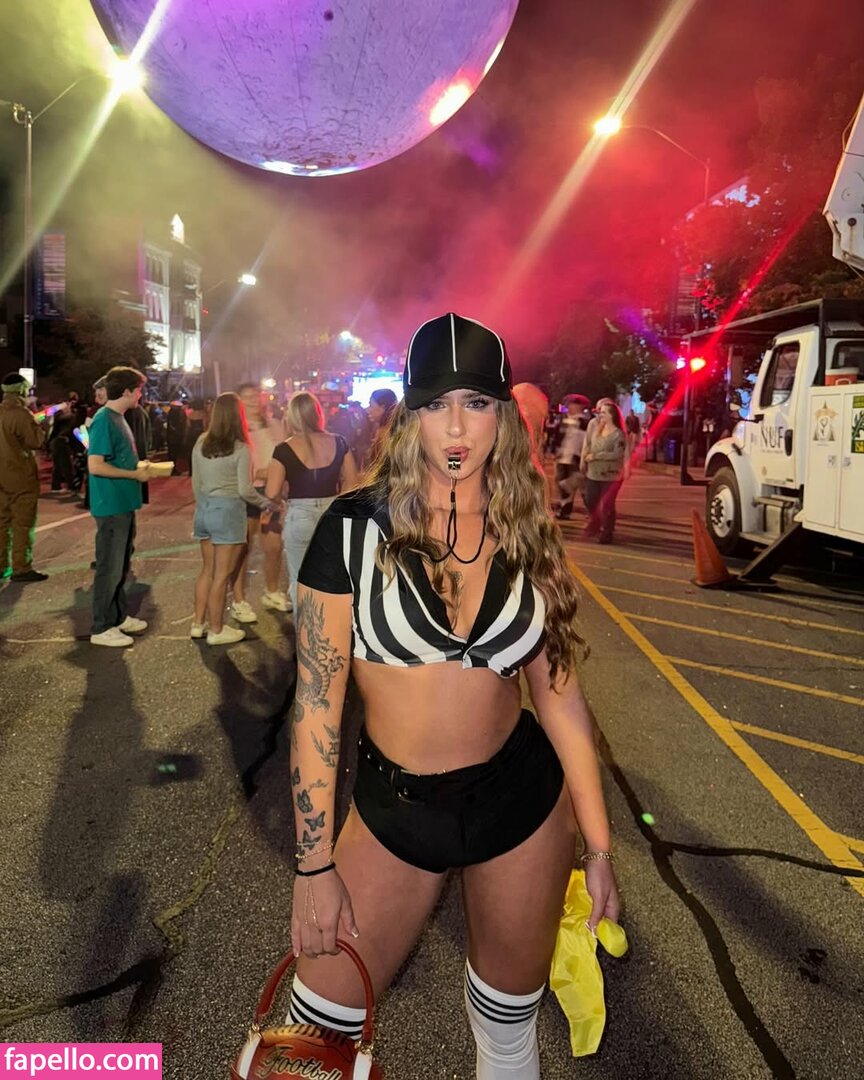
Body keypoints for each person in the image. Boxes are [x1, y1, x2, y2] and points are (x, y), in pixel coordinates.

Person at [286, 313, 618, 1080]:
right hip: (397, 809)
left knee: (508, 1030)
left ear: (504, 414)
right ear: (411, 414)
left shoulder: (528, 529)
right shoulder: (352, 530)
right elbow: (316, 706)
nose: (458, 428)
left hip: (519, 803)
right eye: (436, 404)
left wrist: (599, 849)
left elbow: (560, 699)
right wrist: (312, 865)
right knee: (312, 1044)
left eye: (476, 403)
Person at [191, 392, 275, 645]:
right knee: (221, 575)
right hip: (228, 513)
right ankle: (217, 630)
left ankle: (198, 623)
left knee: (207, 571)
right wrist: (268, 503)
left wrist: (204, 505)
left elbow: (196, 483)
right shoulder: (241, 448)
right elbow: (245, 490)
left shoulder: (201, 441)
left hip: (204, 510)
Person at [264, 391, 357, 612]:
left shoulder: (284, 449)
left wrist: (283, 501)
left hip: (300, 515)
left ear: (292, 416)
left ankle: (306, 632)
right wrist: (336, 505)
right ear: (317, 414)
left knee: (300, 581)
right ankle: (334, 629)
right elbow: (352, 482)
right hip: (332, 515)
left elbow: (271, 492)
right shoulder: (339, 442)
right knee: (333, 579)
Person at [86, 366, 152, 646]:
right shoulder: (104, 419)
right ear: (126, 391)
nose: (140, 395)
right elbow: (95, 465)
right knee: (109, 568)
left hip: (122, 504)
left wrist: (139, 467)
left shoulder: (118, 417)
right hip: (111, 505)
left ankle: (118, 617)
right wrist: (133, 474)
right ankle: (101, 627)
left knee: (120, 565)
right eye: (138, 390)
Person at [229, 383, 290, 621]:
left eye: (257, 396)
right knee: (242, 548)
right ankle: (239, 600)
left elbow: (285, 454)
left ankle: (271, 591)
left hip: (271, 493)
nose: (253, 400)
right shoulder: (235, 429)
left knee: (273, 546)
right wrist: (258, 473)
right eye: (247, 397)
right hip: (245, 492)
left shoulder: (274, 424)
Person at [0, 371, 48, 582]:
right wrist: (42, 422)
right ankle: (21, 568)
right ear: (21, 391)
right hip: (20, 476)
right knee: (22, 524)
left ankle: (1, 565)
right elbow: (36, 441)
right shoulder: (22, 414)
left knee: (2, 523)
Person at [581, 399, 626, 544]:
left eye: (604, 412)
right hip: (593, 473)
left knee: (607, 504)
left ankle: (607, 532)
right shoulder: (596, 430)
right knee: (590, 500)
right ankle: (595, 523)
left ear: (612, 415)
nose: (600, 415)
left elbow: (617, 454)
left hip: (611, 475)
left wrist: (596, 456)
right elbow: (589, 445)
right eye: (600, 412)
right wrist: (584, 458)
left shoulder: (618, 434)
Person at [553, 403, 588, 520]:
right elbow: (558, 437)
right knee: (563, 487)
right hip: (563, 458)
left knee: (581, 487)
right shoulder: (565, 421)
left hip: (575, 459)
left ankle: (593, 510)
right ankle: (565, 511)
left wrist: (581, 456)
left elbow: (585, 441)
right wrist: (556, 450)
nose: (570, 408)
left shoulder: (584, 422)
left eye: (573, 406)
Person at [365, 387, 398, 467]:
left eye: (371, 405)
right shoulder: (394, 428)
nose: (368, 410)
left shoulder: (385, 434)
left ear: (383, 408)